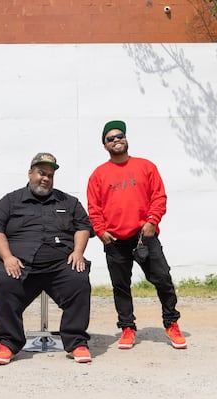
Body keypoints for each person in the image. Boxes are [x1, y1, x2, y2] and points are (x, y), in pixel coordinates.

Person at [0, 152, 94, 365]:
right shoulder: (10, 201)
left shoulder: (68, 201)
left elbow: (83, 227)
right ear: (30, 172)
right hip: (21, 265)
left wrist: (78, 252)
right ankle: (8, 342)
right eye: (41, 173)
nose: (45, 179)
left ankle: (76, 341)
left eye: (50, 175)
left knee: (79, 278)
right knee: (5, 279)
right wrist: (7, 257)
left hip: (60, 265)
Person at [86, 120, 186, 350]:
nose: (116, 140)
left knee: (163, 279)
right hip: (115, 240)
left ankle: (171, 323)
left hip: (144, 236)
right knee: (121, 286)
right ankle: (127, 327)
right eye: (110, 138)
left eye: (119, 135)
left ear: (126, 138)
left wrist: (152, 221)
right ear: (105, 145)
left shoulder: (146, 167)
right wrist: (101, 232)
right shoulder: (98, 175)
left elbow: (159, 197)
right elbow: (94, 207)